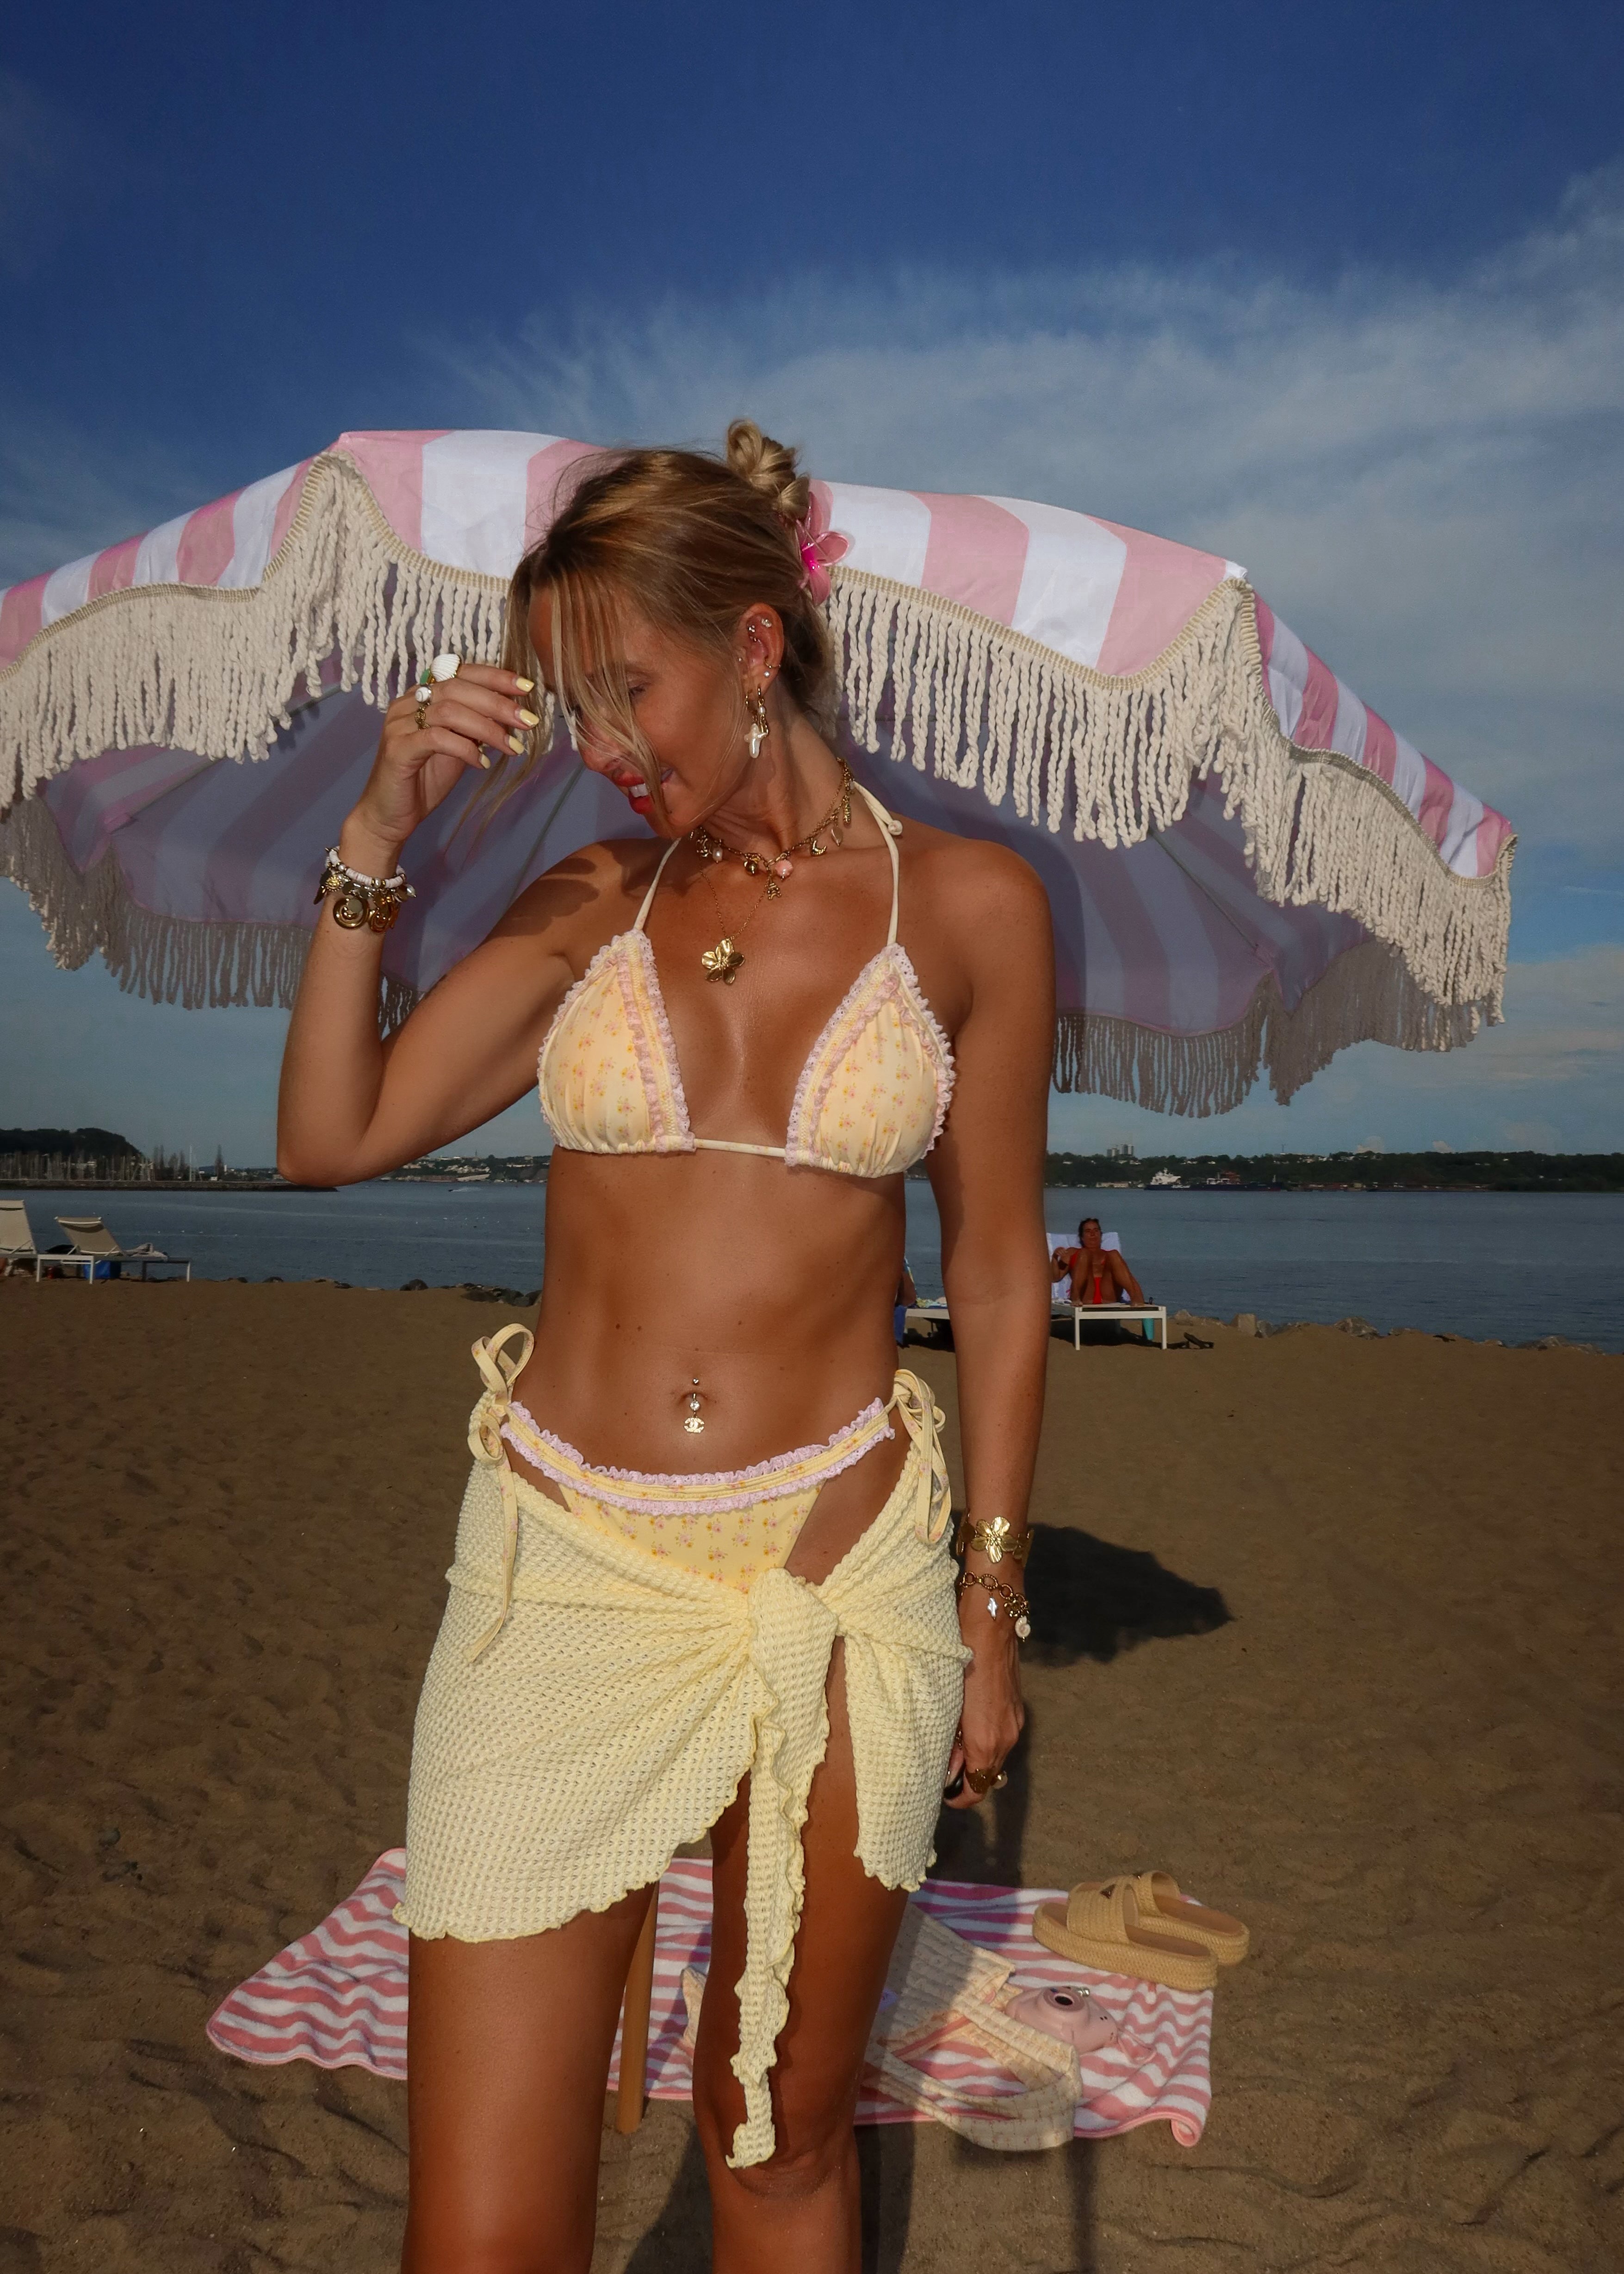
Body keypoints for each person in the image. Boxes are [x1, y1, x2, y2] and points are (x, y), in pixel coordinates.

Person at [276, 422, 1055, 2274]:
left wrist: (991, 1603)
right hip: (563, 1570)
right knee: (480, 2231)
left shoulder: (968, 909)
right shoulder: (593, 898)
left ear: (756, 645)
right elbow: (330, 1133)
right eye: (573, 707)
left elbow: (998, 1271)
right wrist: (373, 843)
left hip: (835, 1573)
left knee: (772, 2142)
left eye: (627, 688)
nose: (604, 743)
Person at [1052, 1216, 1145, 1307]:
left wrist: (1139, 1297)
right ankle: (1076, 1296)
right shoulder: (1072, 1252)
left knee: (1114, 1254)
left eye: (1096, 1231)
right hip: (1084, 1296)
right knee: (1084, 1253)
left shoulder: (1110, 1256)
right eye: (1088, 1231)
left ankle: (1135, 1297)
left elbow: (1128, 1277)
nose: (1093, 1234)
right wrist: (1055, 1257)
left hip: (1109, 1296)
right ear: (1082, 1237)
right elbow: (1055, 1278)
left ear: (1101, 1235)